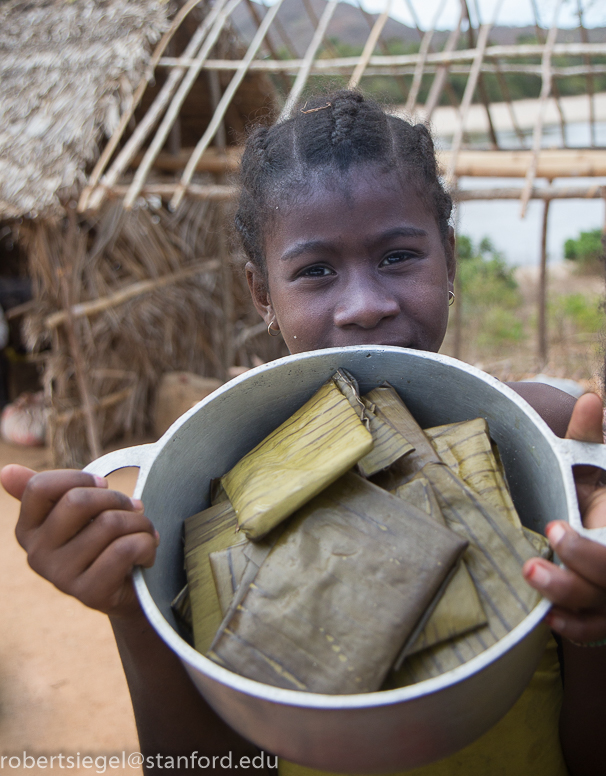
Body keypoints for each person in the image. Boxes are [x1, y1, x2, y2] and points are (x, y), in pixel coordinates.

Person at [2, 91, 606, 776]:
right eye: (316, 271)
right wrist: (132, 611)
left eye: (399, 257)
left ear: (451, 259)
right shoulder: (216, 486)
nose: (365, 305)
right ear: (263, 294)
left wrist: (594, 621)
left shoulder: (551, 443)